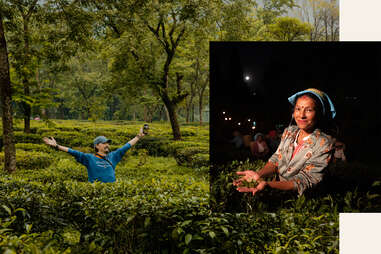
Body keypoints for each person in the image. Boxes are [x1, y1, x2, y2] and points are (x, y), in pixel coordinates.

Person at [233, 88, 336, 196]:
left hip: (302, 199)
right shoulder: (289, 132)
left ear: (319, 113)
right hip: (277, 189)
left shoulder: (324, 144)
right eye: (298, 109)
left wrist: (268, 185)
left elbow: (307, 180)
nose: (301, 115)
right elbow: (277, 159)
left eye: (309, 110)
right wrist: (259, 174)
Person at [42, 128, 145, 183]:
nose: (107, 145)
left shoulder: (113, 156)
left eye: (107, 143)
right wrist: (57, 146)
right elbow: (72, 151)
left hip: (112, 192)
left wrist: (138, 136)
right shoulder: (89, 158)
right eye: (104, 143)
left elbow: (126, 146)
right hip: (96, 193)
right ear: (97, 146)